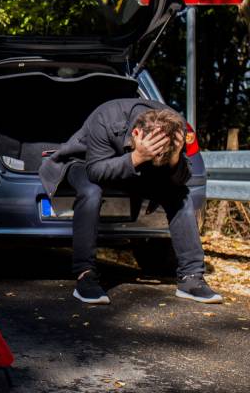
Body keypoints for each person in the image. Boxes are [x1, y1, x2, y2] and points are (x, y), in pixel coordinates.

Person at [39, 98, 222, 305]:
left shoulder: (175, 126)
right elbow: (96, 171)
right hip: (85, 161)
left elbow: (181, 179)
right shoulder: (106, 117)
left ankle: (192, 278)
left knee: (180, 195)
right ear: (136, 134)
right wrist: (137, 157)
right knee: (91, 192)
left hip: (140, 164)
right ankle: (85, 275)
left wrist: (173, 159)